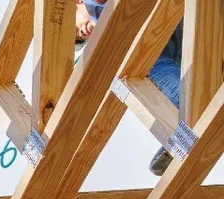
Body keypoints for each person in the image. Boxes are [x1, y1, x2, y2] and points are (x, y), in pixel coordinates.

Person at [76, 0, 182, 175]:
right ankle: (182, 123)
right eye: (81, 38)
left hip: (171, 17)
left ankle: (187, 118)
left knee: (138, 66)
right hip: (181, 41)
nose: (81, 33)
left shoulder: (94, 6)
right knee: (131, 66)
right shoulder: (106, 31)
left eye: (76, 27)